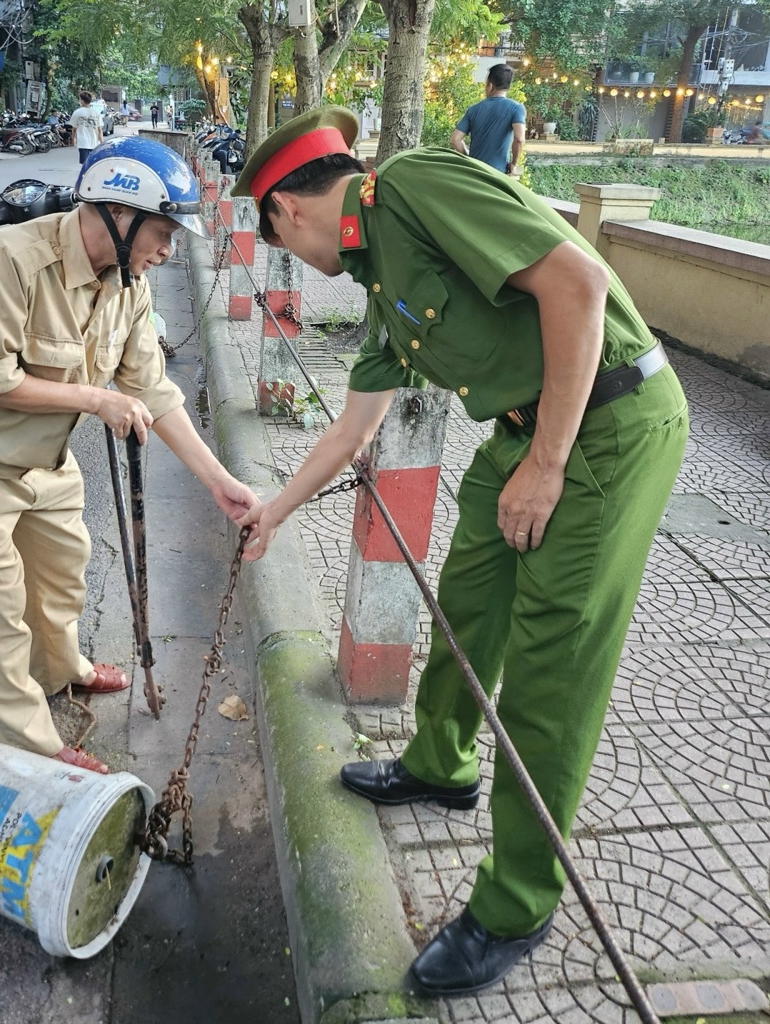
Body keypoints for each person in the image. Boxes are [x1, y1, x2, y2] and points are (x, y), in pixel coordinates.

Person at [232, 107, 688, 995]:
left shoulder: (411, 187)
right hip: (525, 434)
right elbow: (352, 431)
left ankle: (517, 902)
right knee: (466, 598)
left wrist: (549, 464)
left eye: (277, 232)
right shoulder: (378, 284)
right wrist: (275, 512)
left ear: (285, 209)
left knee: (552, 672)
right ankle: (440, 764)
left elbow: (580, 284)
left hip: (608, 425)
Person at [0, 136, 257, 776]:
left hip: (46, 462)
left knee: (64, 575)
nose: (167, 250)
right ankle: (31, 747)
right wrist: (98, 399)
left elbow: (151, 389)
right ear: (119, 215)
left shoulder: (131, 284)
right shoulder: (7, 258)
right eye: (161, 231)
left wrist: (218, 481)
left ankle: (63, 668)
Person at [451, 63, 526, 177]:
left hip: (475, 172)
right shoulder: (516, 108)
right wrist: (513, 164)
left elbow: (455, 139)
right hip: (498, 175)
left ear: (490, 86)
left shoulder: (474, 110)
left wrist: (468, 157)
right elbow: (520, 139)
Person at [70, 90, 102, 164]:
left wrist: (73, 139)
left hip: (82, 142)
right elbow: (99, 130)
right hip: (94, 142)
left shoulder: (77, 112)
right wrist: (101, 142)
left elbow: (74, 129)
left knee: (85, 164)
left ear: (82, 101)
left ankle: (86, 175)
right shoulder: (96, 112)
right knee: (93, 163)